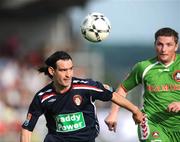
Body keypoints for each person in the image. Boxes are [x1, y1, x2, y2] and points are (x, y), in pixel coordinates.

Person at [20, 51, 144, 142]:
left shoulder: (87, 87)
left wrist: (135, 110)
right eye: (63, 70)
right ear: (52, 71)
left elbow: (113, 96)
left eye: (70, 69)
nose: (68, 75)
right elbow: (27, 128)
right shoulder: (42, 97)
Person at [105, 27, 180, 142]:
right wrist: (113, 113)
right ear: (155, 45)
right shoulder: (144, 67)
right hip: (152, 123)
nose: (163, 49)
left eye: (169, 45)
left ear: (176, 46)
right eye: (160, 44)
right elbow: (122, 89)